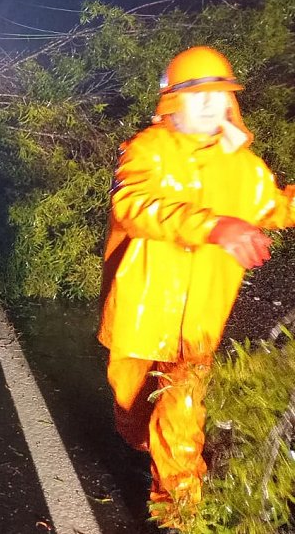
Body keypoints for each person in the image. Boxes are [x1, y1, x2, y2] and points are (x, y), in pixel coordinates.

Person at [98, 46, 295, 528]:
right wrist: (213, 226)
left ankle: (182, 512)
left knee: (182, 410)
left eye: (220, 94)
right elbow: (133, 204)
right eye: (197, 94)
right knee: (132, 406)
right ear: (172, 102)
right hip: (142, 312)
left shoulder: (243, 166)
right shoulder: (149, 149)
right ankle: (146, 446)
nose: (210, 104)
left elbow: (277, 206)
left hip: (200, 318)